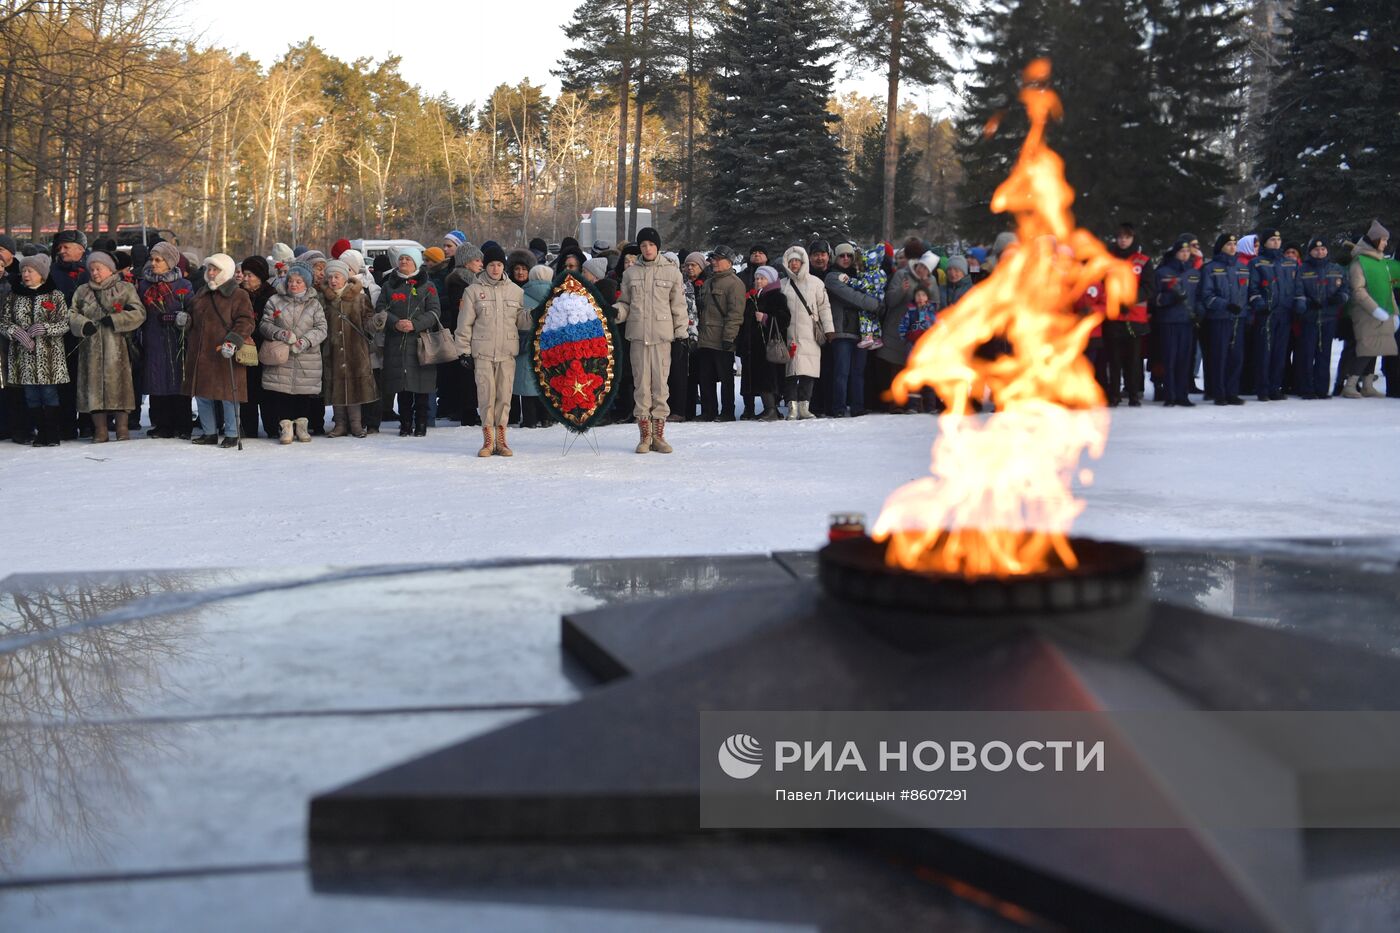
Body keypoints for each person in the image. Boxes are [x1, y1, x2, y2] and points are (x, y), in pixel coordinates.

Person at [613, 226, 687, 452]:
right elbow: (625, 303)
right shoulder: (630, 273)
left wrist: (681, 333)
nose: (647, 249)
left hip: (662, 337)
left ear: (658, 247)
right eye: (643, 245)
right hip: (637, 336)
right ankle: (645, 436)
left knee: (660, 387)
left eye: (651, 245)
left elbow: (678, 305)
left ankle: (659, 436)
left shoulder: (672, 272)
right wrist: (616, 312)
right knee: (642, 387)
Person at [456, 242, 530, 457]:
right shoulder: (473, 291)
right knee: (486, 397)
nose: (495, 269)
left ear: (503, 267)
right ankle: (488, 441)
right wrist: (463, 351)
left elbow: (521, 321)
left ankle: (502, 440)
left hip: (507, 352)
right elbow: (464, 324)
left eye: (499, 264)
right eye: (491, 265)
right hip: (483, 352)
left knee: (504, 396)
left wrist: (536, 314)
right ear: (485, 267)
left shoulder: (515, 291)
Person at [68, 251, 145, 441]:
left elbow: (139, 312)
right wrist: (82, 324)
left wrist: (117, 319)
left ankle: (122, 429)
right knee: (93, 388)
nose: (94, 273)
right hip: (91, 348)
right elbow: (71, 313)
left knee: (120, 388)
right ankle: (100, 430)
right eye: (92, 269)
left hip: (117, 347)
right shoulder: (82, 291)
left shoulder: (125, 288)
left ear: (110, 270)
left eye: (98, 269)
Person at [181, 254, 254, 448]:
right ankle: (209, 433)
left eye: (215, 270)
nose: (211, 273)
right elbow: (193, 318)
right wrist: (185, 321)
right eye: (209, 269)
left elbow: (246, 321)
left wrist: (233, 341)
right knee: (203, 395)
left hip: (224, 351)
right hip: (201, 353)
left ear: (226, 272)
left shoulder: (238, 295)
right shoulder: (202, 293)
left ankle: (231, 433)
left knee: (228, 395)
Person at [0, 253, 70, 446]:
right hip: (23, 357)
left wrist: (46, 328)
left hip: (49, 356)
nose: (26, 274)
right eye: (23, 270)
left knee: (49, 393)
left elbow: (64, 323)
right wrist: (15, 332)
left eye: (30, 270)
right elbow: (4, 322)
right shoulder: (14, 296)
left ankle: (52, 433)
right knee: (31, 395)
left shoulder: (54, 295)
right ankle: (40, 432)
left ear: (41, 274)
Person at [260, 262, 328, 444]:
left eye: (298, 281)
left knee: (302, 394)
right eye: (291, 280)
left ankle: (302, 428)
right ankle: (286, 429)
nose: (294, 284)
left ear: (306, 284)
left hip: (306, 356)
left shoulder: (314, 304)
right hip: (281, 355)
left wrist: (305, 341)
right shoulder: (275, 301)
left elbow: (322, 328)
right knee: (281, 394)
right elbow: (265, 325)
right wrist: (280, 333)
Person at [377, 246, 441, 437]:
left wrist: (415, 324)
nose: (404, 262)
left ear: (416, 263)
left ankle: (421, 422)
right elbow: (381, 309)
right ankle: (405, 423)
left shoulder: (428, 286)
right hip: (396, 341)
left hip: (421, 342)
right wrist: (395, 323)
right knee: (401, 385)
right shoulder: (389, 285)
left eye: (408, 259)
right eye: (401, 259)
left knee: (422, 384)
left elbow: (434, 312)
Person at [137, 242, 195, 438]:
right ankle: (162, 424)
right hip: (153, 338)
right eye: (151, 259)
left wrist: (181, 318)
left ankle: (183, 424)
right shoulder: (144, 284)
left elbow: (192, 311)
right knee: (156, 379)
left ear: (170, 262)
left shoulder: (184, 285)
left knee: (178, 379)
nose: (153, 263)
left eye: (158, 260)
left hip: (176, 340)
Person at [319, 258, 378, 438]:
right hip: (333, 350)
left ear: (345, 278)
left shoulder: (360, 298)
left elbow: (368, 320)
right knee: (336, 386)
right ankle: (340, 424)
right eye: (330, 277)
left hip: (355, 350)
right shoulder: (323, 299)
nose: (333, 281)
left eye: (337, 276)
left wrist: (376, 322)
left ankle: (356, 424)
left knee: (355, 386)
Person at [824, 242, 881, 417]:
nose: (846, 259)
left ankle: (858, 406)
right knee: (841, 372)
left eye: (849, 255)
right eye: (842, 255)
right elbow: (853, 297)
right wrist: (876, 304)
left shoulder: (860, 276)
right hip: (842, 330)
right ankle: (839, 408)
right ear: (836, 257)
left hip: (862, 332)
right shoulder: (832, 277)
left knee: (858, 373)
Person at [1341, 220, 1396, 399]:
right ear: (1374, 240)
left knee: (1377, 348)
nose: (1386, 243)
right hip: (1366, 312)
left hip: (1382, 311)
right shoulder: (1360, 262)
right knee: (1366, 348)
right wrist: (1374, 309)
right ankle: (1350, 385)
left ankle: (1367, 384)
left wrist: (1395, 313)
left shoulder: (1380, 261)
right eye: (1383, 240)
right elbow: (1358, 290)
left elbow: (1389, 289)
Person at [1248, 227, 1303, 401]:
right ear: (1265, 242)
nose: (1276, 243)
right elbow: (1253, 288)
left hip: (1284, 313)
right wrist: (1259, 303)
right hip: (1267, 313)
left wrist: (1298, 304)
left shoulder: (1289, 263)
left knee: (1280, 353)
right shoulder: (1257, 263)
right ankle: (1263, 388)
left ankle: (1275, 387)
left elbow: (1297, 287)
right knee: (1265, 352)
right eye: (1272, 240)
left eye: (1278, 240)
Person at [780, 245, 835, 420]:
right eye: (791, 261)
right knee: (790, 373)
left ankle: (804, 406)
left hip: (810, 334)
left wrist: (829, 330)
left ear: (803, 262)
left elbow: (824, 308)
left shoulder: (816, 283)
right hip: (788, 334)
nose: (794, 264)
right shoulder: (782, 284)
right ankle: (792, 407)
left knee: (807, 373)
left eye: (797, 260)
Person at [694, 244, 746, 423]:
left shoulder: (735, 284)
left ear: (729, 262)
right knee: (705, 378)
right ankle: (709, 411)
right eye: (712, 259)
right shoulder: (708, 281)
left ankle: (727, 412)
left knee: (726, 379)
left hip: (722, 339)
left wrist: (729, 337)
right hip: (705, 338)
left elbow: (735, 314)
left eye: (717, 259)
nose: (713, 262)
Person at [1103, 223, 1153, 407]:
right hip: (1114, 317)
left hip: (1135, 318)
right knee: (1114, 359)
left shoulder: (1143, 261)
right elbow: (1102, 286)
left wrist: (1129, 300)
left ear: (1133, 239)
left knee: (1133, 360)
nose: (1123, 240)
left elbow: (1149, 288)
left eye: (1127, 237)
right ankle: (1114, 394)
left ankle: (1133, 394)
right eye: (1120, 237)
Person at [1294, 237, 1350, 400]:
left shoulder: (1336, 269)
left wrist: (1340, 298)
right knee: (1307, 354)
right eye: (1316, 250)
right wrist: (1307, 303)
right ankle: (1306, 388)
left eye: (1323, 249)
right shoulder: (1302, 269)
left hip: (1328, 317)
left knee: (1324, 354)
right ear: (1310, 252)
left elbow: (1346, 289)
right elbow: (1298, 291)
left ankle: (1322, 388)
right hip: (1309, 318)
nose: (1320, 252)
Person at [1197, 234, 1249, 406]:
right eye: (1229, 244)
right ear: (1221, 247)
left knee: (1236, 357)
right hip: (1219, 318)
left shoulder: (1242, 268)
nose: (1233, 247)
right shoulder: (1210, 268)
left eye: (1234, 244)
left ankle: (1232, 391)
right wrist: (1224, 305)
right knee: (1219, 356)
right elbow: (1206, 295)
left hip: (1238, 319)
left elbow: (1246, 293)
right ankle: (1218, 392)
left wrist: (1245, 310)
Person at [1153, 235, 1203, 407]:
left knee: (1184, 359)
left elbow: (1198, 297)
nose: (1185, 254)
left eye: (1188, 251)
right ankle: (1169, 395)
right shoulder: (1162, 272)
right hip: (1169, 321)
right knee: (1170, 359)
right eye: (1182, 251)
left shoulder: (1194, 273)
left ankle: (1182, 395)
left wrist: (1199, 313)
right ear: (1175, 253)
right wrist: (1170, 299)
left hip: (1187, 322)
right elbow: (1154, 299)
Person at [239, 256, 279, 437]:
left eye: (250, 275)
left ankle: (271, 426)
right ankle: (249, 428)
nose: (245, 279)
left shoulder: (272, 296)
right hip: (245, 348)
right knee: (247, 389)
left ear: (260, 276)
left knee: (267, 390)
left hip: (266, 348)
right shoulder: (239, 295)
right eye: (244, 274)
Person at [746, 264, 790, 420]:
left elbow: (784, 319)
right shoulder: (758, 296)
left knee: (769, 376)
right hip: (759, 346)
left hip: (770, 344)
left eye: (762, 278)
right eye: (756, 278)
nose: (758, 281)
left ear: (770, 280)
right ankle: (770, 409)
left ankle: (771, 408)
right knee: (763, 376)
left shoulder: (777, 297)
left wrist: (765, 318)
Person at [516, 264, 554, 428]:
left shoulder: (522, 295)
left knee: (527, 382)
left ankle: (530, 419)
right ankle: (546, 418)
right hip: (551, 346)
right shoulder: (557, 295)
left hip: (527, 345)